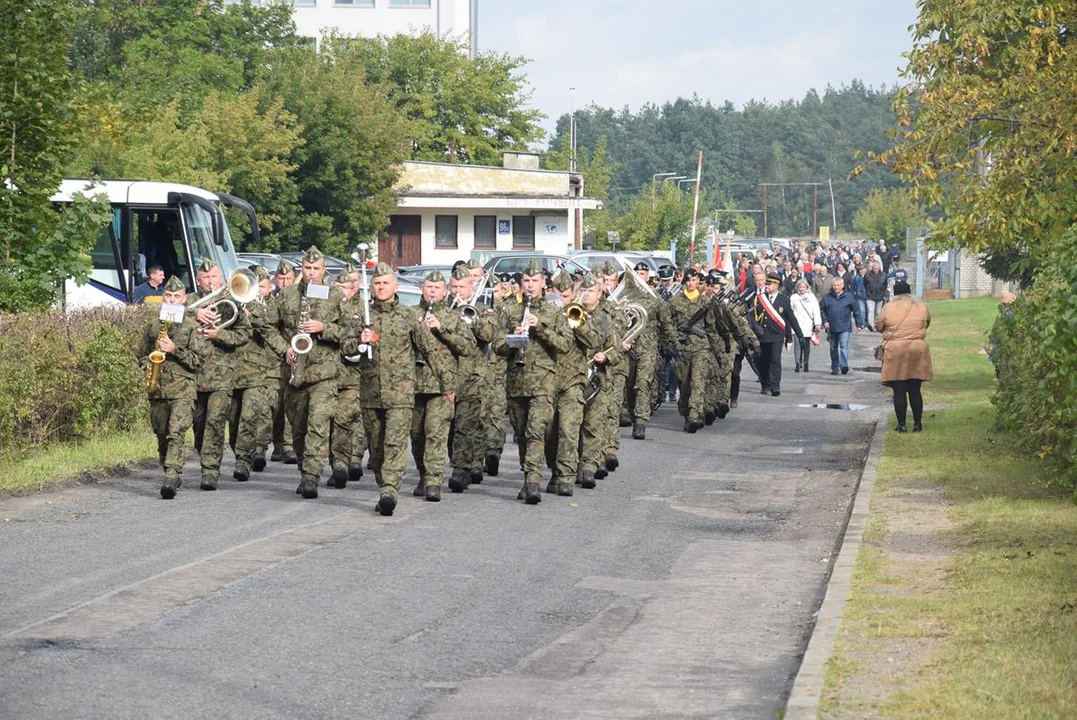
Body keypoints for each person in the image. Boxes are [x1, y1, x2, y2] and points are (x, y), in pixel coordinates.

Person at [342, 263, 451, 515]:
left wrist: (447, 383)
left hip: (401, 393)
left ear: (395, 286)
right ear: (372, 286)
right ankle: (384, 487)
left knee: (395, 443)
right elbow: (344, 348)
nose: (381, 287)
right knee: (377, 447)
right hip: (370, 392)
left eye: (385, 283)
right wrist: (359, 341)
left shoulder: (408, 316)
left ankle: (390, 489)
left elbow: (430, 350)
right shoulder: (362, 316)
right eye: (377, 283)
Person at [492, 259, 574, 503]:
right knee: (522, 434)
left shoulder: (552, 312)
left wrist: (540, 329)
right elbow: (496, 346)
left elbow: (565, 344)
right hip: (517, 382)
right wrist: (511, 339)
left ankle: (533, 482)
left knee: (537, 431)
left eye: (534, 281)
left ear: (543, 283)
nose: (529, 285)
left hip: (543, 382)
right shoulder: (510, 312)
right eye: (526, 281)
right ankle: (528, 474)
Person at [267, 246, 344, 499]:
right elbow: (267, 325)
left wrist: (324, 328)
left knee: (318, 424)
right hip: (295, 374)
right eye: (308, 268)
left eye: (316, 269)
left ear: (324, 271)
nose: (312, 273)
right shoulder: (287, 295)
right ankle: (304, 469)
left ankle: (312, 476)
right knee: (298, 429)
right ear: (302, 268)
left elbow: (349, 331)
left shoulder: (334, 295)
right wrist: (284, 348)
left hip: (324, 374)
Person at [139, 276, 209, 498]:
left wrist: (174, 349)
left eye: (176, 296)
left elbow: (199, 360)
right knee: (162, 434)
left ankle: (170, 475)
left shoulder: (192, 327)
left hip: (183, 390)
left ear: (184, 299)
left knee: (176, 433)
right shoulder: (152, 327)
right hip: (158, 389)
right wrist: (148, 365)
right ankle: (170, 471)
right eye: (168, 296)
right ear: (163, 298)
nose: (172, 299)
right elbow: (141, 354)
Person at [190, 260, 252, 492]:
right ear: (198, 280)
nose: (210, 281)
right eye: (206, 277)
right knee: (198, 426)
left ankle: (210, 472)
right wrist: (195, 313)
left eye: (214, 277)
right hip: (193, 375)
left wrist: (221, 335)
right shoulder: (187, 301)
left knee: (215, 424)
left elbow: (245, 333)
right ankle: (205, 458)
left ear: (222, 280)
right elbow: (167, 320)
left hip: (222, 376)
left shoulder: (231, 304)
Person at [875, 280, 932, 432]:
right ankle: (918, 424)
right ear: (909, 291)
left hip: (896, 351)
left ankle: (901, 425)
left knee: (899, 389)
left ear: (895, 293)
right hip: (917, 349)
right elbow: (927, 323)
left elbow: (879, 326)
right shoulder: (921, 306)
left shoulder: (888, 308)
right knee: (915, 388)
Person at [747, 272, 793, 396]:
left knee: (775, 360)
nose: (766, 285)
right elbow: (751, 315)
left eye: (769, 283)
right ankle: (765, 384)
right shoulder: (760, 298)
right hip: (762, 336)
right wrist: (755, 327)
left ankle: (775, 386)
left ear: (776, 285)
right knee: (763, 361)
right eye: (766, 283)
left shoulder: (784, 300)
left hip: (777, 336)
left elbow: (790, 319)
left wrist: (796, 335)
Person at [819, 276, 860, 375]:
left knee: (843, 346)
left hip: (845, 326)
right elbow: (821, 309)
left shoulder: (849, 296)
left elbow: (856, 310)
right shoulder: (827, 297)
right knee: (833, 348)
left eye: (838, 285)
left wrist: (859, 324)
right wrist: (824, 321)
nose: (836, 287)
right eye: (834, 285)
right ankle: (835, 367)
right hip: (831, 326)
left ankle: (844, 365)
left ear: (842, 286)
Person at [789, 279, 822, 373]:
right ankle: (797, 363)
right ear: (797, 288)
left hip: (808, 324)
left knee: (806, 344)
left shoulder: (812, 297)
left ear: (807, 287)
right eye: (800, 287)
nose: (802, 289)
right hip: (796, 324)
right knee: (797, 343)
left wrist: (817, 323)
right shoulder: (794, 297)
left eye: (803, 287)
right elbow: (790, 310)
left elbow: (816, 310)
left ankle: (806, 362)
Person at [865, 260, 888, 329]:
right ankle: (871, 325)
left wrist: (884, 293)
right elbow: (865, 284)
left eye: (876, 268)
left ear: (879, 268)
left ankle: (877, 325)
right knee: (870, 311)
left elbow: (885, 285)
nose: (875, 270)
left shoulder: (884, 275)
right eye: (874, 268)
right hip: (870, 296)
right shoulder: (868, 275)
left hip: (880, 296)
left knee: (878, 312)